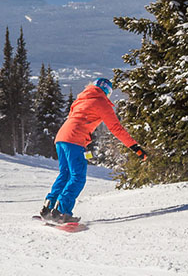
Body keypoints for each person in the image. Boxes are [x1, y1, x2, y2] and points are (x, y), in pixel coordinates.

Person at [40, 78, 147, 223]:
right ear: (107, 92)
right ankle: (61, 212)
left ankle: (48, 207)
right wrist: (135, 147)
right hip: (74, 140)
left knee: (65, 174)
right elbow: (116, 128)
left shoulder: (81, 99)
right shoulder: (101, 102)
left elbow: (76, 119)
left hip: (61, 138)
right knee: (77, 177)